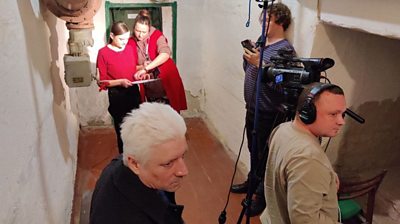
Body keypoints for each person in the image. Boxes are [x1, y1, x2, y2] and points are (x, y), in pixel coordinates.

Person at [230, 2, 295, 216]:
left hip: (269, 113)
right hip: (253, 108)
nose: (262, 23)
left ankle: (261, 196)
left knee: (265, 156)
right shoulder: (262, 43)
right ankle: (252, 183)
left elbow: (283, 83)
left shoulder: (285, 50)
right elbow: (251, 70)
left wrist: (261, 65)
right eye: (262, 19)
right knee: (253, 150)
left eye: (268, 19)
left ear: (281, 22)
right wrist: (249, 59)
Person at [89, 102, 189, 224]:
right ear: (135, 164)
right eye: (168, 164)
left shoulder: (126, 162)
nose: (183, 171)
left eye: (182, 156)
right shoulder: (127, 217)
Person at [260, 82, 346, 224]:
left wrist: (328, 176)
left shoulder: (283, 129)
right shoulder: (308, 158)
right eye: (333, 114)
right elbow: (305, 221)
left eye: (343, 113)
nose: (341, 121)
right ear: (307, 113)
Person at [128, 9, 187, 113]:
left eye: (144, 32)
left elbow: (165, 54)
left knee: (170, 112)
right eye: (137, 31)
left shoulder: (157, 35)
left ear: (149, 29)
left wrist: (146, 68)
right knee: (152, 113)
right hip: (148, 83)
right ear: (134, 28)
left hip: (165, 78)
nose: (140, 35)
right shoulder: (130, 42)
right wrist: (142, 67)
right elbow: (129, 65)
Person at [96, 21, 141, 154]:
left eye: (127, 39)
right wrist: (120, 82)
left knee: (136, 125)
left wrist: (142, 69)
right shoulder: (103, 53)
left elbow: (132, 68)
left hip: (133, 91)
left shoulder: (130, 49)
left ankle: (137, 154)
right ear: (112, 36)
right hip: (117, 94)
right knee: (122, 127)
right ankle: (124, 157)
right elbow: (101, 81)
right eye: (121, 39)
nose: (125, 42)